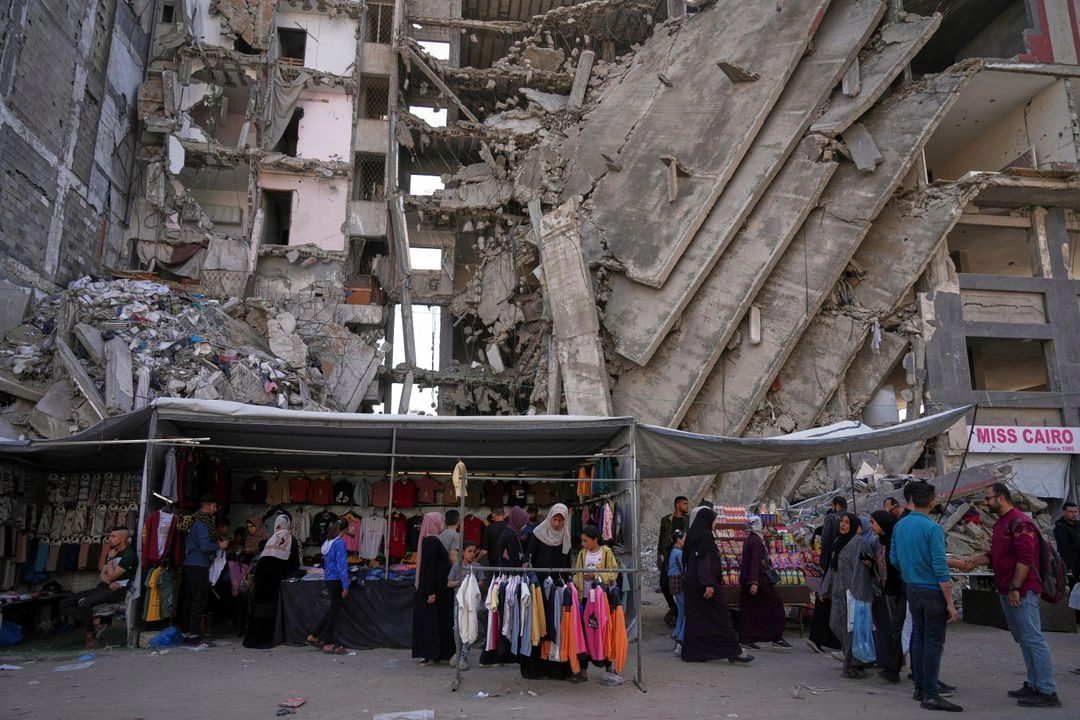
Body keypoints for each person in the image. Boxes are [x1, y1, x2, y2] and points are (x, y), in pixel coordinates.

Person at [965, 484, 1061, 708]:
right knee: (1024, 640)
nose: (986, 503)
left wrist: (1015, 588)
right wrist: (974, 560)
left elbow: (1025, 557)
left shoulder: (1020, 522)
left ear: (1001, 497)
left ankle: (1047, 690)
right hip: (1008, 589)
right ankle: (1034, 683)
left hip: (1021, 591)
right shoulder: (1002, 523)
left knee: (1033, 639)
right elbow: (996, 554)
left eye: (988, 498)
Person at [890, 482, 962, 712]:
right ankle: (930, 693)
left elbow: (893, 559)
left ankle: (920, 687)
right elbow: (940, 567)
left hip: (912, 587)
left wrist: (911, 571)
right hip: (931, 590)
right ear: (931, 502)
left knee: (919, 638)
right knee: (933, 642)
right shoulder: (932, 529)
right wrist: (950, 602)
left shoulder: (900, 526)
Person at [680, 505, 753, 664]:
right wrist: (708, 584)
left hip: (692, 584)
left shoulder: (694, 537)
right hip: (704, 584)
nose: (715, 524)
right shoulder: (705, 538)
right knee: (721, 616)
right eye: (713, 520)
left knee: (698, 618)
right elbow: (705, 562)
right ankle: (734, 651)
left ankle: (694, 652)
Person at [521, 504, 576, 681]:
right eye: (555, 519)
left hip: (558, 588)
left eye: (561, 520)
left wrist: (568, 581)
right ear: (550, 517)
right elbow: (529, 555)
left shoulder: (565, 536)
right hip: (539, 587)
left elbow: (567, 561)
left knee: (558, 625)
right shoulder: (538, 533)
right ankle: (536, 669)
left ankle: (557, 668)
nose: (557, 524)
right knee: (539, 623)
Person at [59, 527, 137, 649]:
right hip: (104, 587)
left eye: (113, 536)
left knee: (84, 604)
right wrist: (109, 580)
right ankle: (92, 621)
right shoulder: (112, 552)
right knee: (65, 603)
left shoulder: (129, 555)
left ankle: (90, 635)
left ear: (123, 539)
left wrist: (111, 561)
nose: (110, 539)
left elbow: (111, 574)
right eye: (110, 536)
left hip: (116, 592)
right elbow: (103, 575)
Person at [819, 512, 874, 679]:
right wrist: (825, 588)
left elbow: (864, 569)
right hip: (837, 592)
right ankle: (852, 661)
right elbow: (832, 567)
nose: (843, 525)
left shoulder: (859, 543)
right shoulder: (838, 542)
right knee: (836, 624)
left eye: (847, 523)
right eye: (841, 522)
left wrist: (857, 593)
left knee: (850, 630)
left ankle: (854, 665)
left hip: (852, 594)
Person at [243, 514, 300, 649]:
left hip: (261, 578)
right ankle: (265, 640)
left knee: (259, 610)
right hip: (274, 580)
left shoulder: (270, 540)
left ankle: (253, 640)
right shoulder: (291, 540)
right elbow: (294, 565)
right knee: (270, 610)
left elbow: (262, 560)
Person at [738, 515, 791, 650]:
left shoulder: (751, 539)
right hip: (758, 580)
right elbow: (755, 562)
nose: (766, 529)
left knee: (750, 609)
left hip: (750, 579)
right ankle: (776, 636)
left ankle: (747, 638)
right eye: (764, 526)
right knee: (775, 604)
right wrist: (754, 582)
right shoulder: (756, 542)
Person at [181, 494, 229, 644]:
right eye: (214, 507)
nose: (215, 510)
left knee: (189, 600)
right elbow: (205, 546)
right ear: (207, 506)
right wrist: (220, 546)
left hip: (189, 564)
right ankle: (194, 635)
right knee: (198, 600)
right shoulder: (202, 524)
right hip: (198, 565)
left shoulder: (193, 522)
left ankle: (186, 633)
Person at [869, 509, 906, 683]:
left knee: (897, 630)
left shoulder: (895, 542)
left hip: (899, 591)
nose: (871, 526)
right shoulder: (877, 542)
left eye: (873, 522)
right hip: (886, 591)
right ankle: (892, 665)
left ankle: (894, 667)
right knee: (892, 629)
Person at [413, 511, 454, 665]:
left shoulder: (431, 540)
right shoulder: (432, 541)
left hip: (435, 589)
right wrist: (431, 592)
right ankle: (431, 652)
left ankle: (435, 653)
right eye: (440, 521)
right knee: (432, 623)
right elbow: (430, 568)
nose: (442, 524)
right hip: (433, 590)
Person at [307, 518, 349, 654]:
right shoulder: (340, 543)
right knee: (334, 613)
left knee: (333, 610)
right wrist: (346, 585)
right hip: (337, 580)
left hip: (329, 579)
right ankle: (328, 643)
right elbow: (342, 565)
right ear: (345, 530)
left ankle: (313, 635)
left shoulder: (327, 543)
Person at [447, 540, 484, 670]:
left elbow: (481, 583)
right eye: (469, 551)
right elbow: (449, 583)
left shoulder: (477, 567)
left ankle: (463, 657)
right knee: (457, 629)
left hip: (472, 605)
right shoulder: (457, 567)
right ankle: (458, 653)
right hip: (458, 604)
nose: (472, 554)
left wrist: (472, 584)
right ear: (463, 552)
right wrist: (462, 583)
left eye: (474, 552)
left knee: (469, 629)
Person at [658, 496, 690, 628]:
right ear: (677, 505)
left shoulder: (688, 520)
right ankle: (673, 607)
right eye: (684, 504)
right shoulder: (666, 520)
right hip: (668, 557)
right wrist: (658, 556)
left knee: (681, 586)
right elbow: (661, 538)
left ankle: (678, 612)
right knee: (664, 584)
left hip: (683, 556)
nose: (687, 506)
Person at [668, 529, 686, 655]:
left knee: (681, 611)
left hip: (673, 582)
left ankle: (676, 633)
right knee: (685, 611)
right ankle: (680, 637)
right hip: (678, 582)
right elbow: (683, 568)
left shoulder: (673, 551)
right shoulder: (679, 553)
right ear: (679, 540)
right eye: (684, 538)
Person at [1053, 501, 1079, 586]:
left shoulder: (1077, 524)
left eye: (1075, 511)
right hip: (1073, 565)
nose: (1074, 514)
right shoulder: (1061, 527)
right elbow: (1063, 549)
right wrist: (1069, 567)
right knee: (1075, 589)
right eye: (1071, 512)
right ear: (1064, 512)